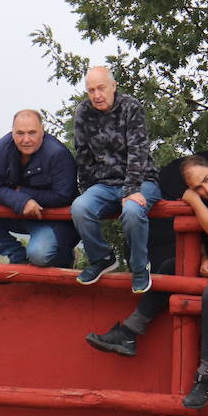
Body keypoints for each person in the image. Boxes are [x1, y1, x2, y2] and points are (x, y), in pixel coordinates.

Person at [86, 155, 208, 410]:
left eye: (206, 181)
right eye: (197, 187)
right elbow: (206, 239)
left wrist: (193, 200)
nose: (206, 189)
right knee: (169, 267)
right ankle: (128, 333)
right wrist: (203, 257)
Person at [72, 66, 162, 294]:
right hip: (103, 184)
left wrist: (131, 189)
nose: (96, 95)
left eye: (101, 88)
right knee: (80, 208)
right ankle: (102, 258)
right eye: (91, 90)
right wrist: (86, 189)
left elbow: (138, 150)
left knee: (132, 211)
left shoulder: (131, 107)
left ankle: (140, 267)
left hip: (141, 180)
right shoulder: (83, 112)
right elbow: (82, 153)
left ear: (114, 86)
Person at [0, 110, 79, 268]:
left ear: (42, 130)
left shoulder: (58, 154)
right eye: (20, 133)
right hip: (16, 213)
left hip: (52, 220)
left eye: (32, 133)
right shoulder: (0, 149)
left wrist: (24, 193)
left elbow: (65, 195)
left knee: (39, 255)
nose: (26, 139)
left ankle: (63, 259)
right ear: (12, 131)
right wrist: (22, 201)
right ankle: (17, 255)